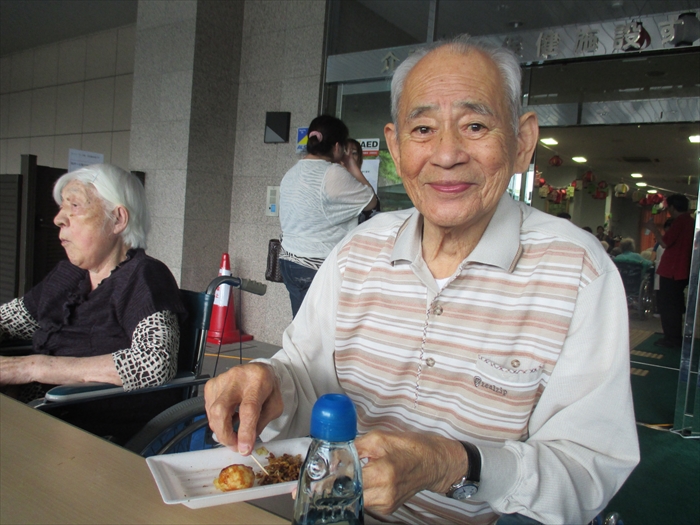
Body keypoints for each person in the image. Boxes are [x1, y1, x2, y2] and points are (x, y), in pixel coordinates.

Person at [205, 36, 638, 525]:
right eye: (424, 129)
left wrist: (451, 463)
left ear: (522, 141)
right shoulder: (356, 252)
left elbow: (588, 467)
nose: (447, 154)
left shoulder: (578, 272)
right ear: (395, 145)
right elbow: (304, 375)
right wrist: (268, 383)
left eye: (475, 125)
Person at [0, 164, 185, 402]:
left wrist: (30, 368)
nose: (58, 219)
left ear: (117, 219)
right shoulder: (69, 275)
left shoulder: (144, 275)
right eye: (62, 207)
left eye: (75, 205)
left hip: (78, 417)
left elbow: (154, 364)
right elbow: (8, 322)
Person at [279, 116, 377, 317]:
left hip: (289, 262)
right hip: (315, 266)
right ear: (337, 146)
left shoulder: (291, 173)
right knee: (324, 330)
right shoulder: (332, 173)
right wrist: (352, 166)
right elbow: (371, 202)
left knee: (302, 327)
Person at [646, 195, 694, 348]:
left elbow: (665, 243)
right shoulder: (690, 221)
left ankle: (671, 339)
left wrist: (653, 229)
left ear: (673, 207)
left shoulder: (680, 222)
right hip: (681, 270)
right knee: (674, 305)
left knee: (668, 306)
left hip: (673, 270)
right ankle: (673, 338)